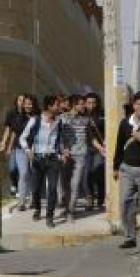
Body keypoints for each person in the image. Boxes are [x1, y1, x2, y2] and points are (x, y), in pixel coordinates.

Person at [115, 91, 140, 251]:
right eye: (138, 104)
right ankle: (130, 237)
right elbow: (119, 146)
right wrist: (115, 167)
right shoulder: (125, 123)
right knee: (126, 203)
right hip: (126, 169)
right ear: (133, 106)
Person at [20, 95, 69, 228]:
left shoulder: (59, 122)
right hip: (37, 158)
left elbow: (60, 140)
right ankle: (37, 208)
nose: (59, 107)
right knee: (36, 188)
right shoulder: (35, 120)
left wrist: (64, 151)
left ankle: (50, 217)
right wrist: (28, 151)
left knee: (52, 188)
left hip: (53, 158)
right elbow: (22, 138)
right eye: (57, 105)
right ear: (49, 106)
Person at [60, 95, 94, 222]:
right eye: (81, 104)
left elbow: (90, 138)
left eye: (83, 104)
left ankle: (70, 212)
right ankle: (67, 206)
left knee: (75, 184)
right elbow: (58, 137)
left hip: (80, 155)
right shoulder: (63, 118)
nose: (83, 106)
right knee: (65, 186)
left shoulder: (86, 120)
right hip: (66, 156)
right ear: (74, 105)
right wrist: (63, 149)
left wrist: (101, 148)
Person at [8, 95, 38, 211]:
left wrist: (34, 148)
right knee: (24, 173)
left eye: (30, 103)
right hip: (20, 148)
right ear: (23, 105)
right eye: (26, 103)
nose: (28, 106)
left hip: (35, 149)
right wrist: (10, 146)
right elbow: (15, 133)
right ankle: (21, 202)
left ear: (33, 104)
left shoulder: (37, 118)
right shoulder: (18, 117)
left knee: (32, 173)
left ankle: (32, 199)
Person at [85, 93, 107, 210]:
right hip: (88, 148)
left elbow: (108, 129)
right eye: (89, 103)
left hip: (101, 149)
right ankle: (90, 199)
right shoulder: (83, 115)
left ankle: (101, 198)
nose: (91, 105)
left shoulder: (103, 114)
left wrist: (105, 145)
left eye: (94, 102)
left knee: (98, 172)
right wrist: (100, 147)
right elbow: (89, 135)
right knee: (87, 174)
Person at [1, 94, 25, 201]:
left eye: (24, 100)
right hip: (13, 144)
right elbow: (8, 129)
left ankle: (20, 189)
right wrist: (3, 142)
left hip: (23, 145)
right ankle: (14, 183)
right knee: (12, 168)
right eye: (20, 100)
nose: (22, 102)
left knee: (21, 169)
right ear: (16, 101)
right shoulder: (11, 113)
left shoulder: (27, 115)